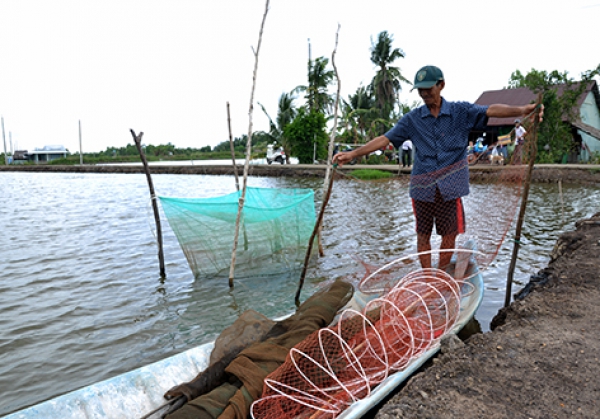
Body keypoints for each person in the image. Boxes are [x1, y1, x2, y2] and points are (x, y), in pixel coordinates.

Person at [333, 65, 542, 272]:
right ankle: (426, 276)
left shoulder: (461, 112)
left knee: (449, 234)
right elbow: (384, 139)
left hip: (451, 187)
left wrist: (522, 110)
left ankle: (441, 273)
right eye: (420, 90)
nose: (424, 94)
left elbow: (490, 110)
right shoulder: (412, 119)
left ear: (441, 85)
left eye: (428, 89)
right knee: (423, 235)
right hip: (423, 187)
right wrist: (353, 154)